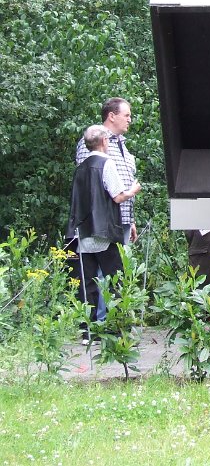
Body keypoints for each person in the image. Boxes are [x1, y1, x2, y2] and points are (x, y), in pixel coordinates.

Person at [67, 125, 142, 343]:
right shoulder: (106, 163)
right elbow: (118, 196)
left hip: (83, 233)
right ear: (104, 142)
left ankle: (88, 331)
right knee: (115, 279)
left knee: (87, 282)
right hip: (105, 232)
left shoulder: (81, 168)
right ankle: (117, 329)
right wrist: (133, 191)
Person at [76, 97, 138, 243]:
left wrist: (130, 220)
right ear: (111, 116)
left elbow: (124, 183)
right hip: (101, 223)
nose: (129, 120)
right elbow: (87, 183)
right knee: (103, 258)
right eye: (126, 115)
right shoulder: (93, 142)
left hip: (122, 220)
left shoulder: (122, 145)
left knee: (120, 259)